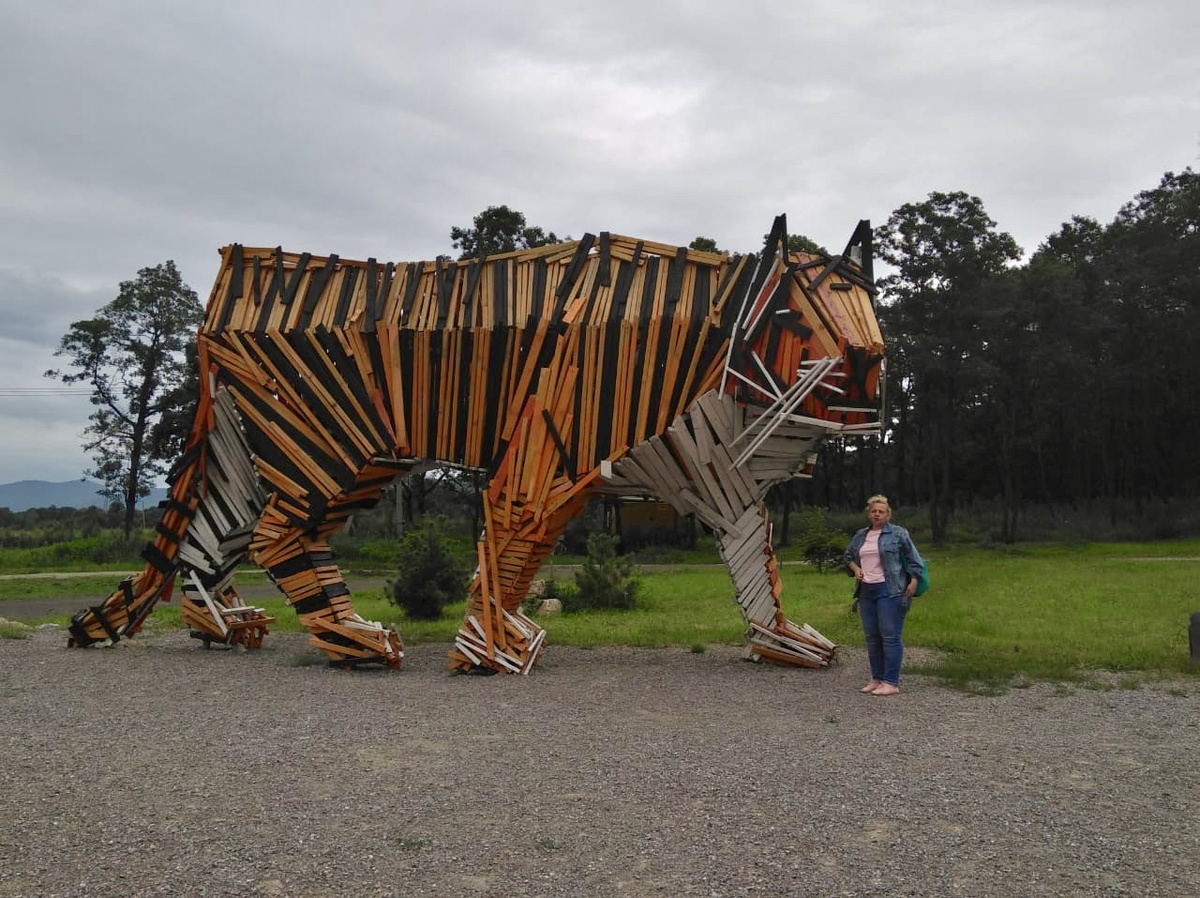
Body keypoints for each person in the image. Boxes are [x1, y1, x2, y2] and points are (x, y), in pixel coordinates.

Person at [844, 495, 925, 697]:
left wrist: (914, 580)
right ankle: (877, 678)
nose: (877, 514)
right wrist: (855, 568)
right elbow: (847, 556)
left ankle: (891, 682)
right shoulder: (861, 535)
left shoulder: (898, 533)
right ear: (868, 513)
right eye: (874, 511)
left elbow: (916, 560)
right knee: (872, 637)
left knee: (890, 636)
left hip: (890, 590)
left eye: (881, 511)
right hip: (866, 591)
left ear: (888, 514)